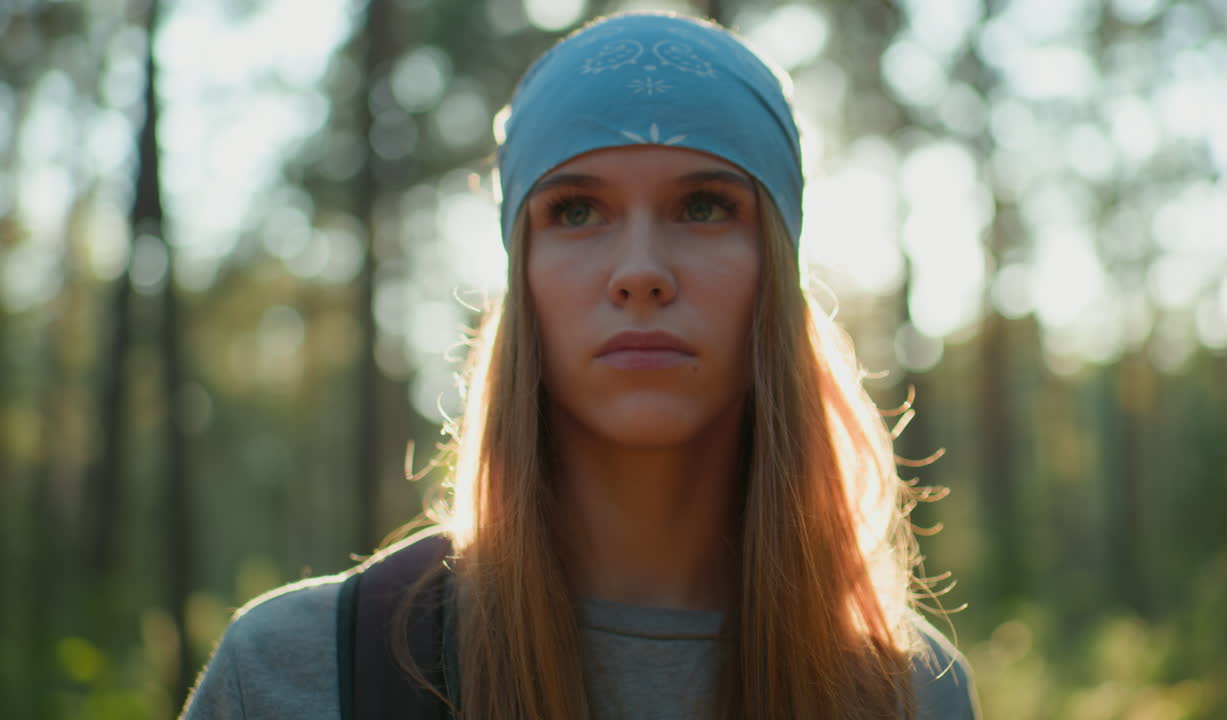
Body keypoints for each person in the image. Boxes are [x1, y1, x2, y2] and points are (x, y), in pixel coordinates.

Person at [182, 11, 980, 720]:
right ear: (520, 275)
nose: (640, 271)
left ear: (776, 269)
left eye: (704, 207)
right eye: (575, 210)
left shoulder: (906, 692)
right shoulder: (301, 673)